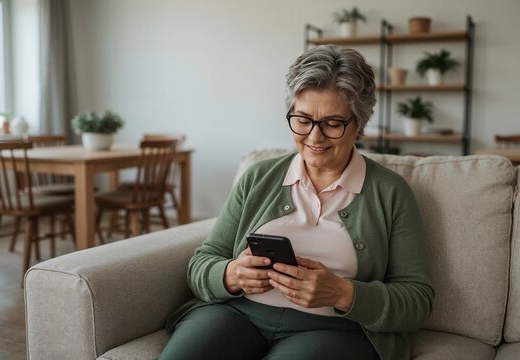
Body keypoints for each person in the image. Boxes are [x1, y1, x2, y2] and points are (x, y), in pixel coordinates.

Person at [159, 45, 434, 360]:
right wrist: (232, 274)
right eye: (302, 120)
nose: (314, 138)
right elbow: (202, 262)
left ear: (358, 125)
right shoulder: (257, 176)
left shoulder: (391, 192)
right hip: (234, 315)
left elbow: (418, 300)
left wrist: (344, 293)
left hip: (333, 331)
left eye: (332, 124)